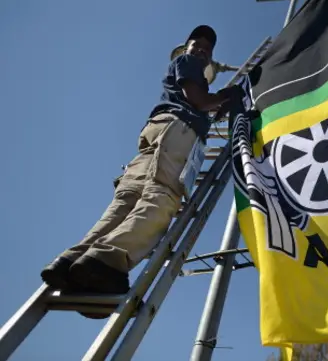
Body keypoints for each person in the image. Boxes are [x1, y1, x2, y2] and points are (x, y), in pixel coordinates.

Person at [40, 25, 231, 301]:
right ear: (186, 49)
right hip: (177, 130)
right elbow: (198, 101)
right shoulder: (188, 64)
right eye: (196, 44)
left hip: (158, 133)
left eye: (207, 49)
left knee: (126, 203)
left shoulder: (181, 69)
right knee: (162, 196)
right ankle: (105, 262)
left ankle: (72, 261)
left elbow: (201, 102)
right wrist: (229, 95)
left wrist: (216, 103)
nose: (202, 50)